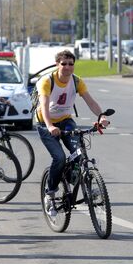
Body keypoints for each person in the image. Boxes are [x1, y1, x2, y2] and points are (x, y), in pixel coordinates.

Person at [36, 50, 110, 216]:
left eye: (71, 64)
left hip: (66, 120)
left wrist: (101, 117)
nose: (68, 67)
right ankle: (50, 192)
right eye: (64, 64)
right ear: (57, 64)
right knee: (59, 157)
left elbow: (90, 101)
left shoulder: (77, 81)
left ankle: (77, 180)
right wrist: (49, 126)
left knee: (79, 154)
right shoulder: (47, 81)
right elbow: (44, 106)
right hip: (45, 122)